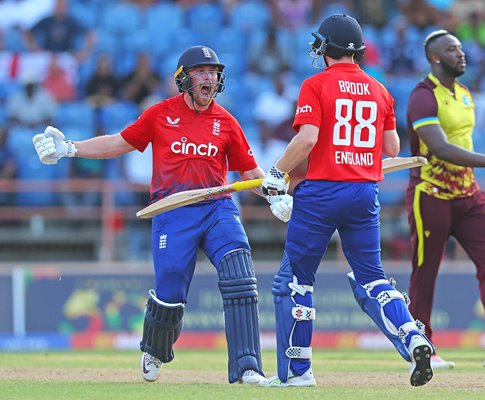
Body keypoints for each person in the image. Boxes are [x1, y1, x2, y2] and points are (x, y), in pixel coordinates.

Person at [32, 45, 294, 384]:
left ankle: (247, 367)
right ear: (183, 78)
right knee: (170, 292)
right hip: (173, 210)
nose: (209, 78)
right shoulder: (160, 115)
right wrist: (71, 148)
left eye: (213, 73)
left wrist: (273, 194)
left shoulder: (226, 122)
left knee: (240, 278)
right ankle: (154, 349)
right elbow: (117, 143)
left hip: (217, 208)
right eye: (201, 72)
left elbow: (249, 173)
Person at [259, 14, 435, 388]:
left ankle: (296, 373)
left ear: (327, 48)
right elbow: (392, 148)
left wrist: (276, 174)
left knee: (295, 281)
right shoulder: (380, 89)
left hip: (322, 192)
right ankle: (411, 335)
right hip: (364, 193)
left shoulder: (315, 84)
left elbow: (306, 140)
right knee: (371, 278)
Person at [405, 30, 485, 370]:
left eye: (460, 48)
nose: (460, 54)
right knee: (425, 273)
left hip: (468, 194)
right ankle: (422, 348)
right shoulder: (422, 97)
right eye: (451, 49)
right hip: (430, 194)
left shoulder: (463, 93)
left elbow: (461, 141)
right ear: (435, 58)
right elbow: (442, 148)